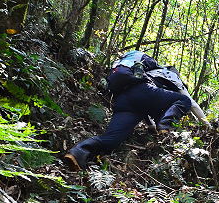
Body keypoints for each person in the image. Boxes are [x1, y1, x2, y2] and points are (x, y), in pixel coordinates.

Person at [63, 50, 198, 170]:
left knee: (111, 140)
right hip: (143, 91)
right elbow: (190, 104)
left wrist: (152, 126)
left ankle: (77, 152)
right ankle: (165, 126)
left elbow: (150, 106)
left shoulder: (128, 65)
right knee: (183, 100)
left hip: (124, 101)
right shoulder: (169, 74)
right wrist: (163, 126)